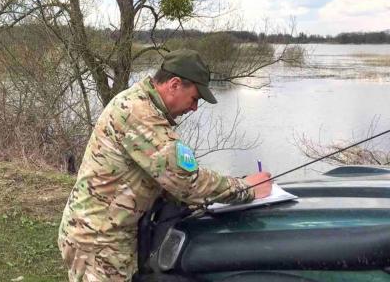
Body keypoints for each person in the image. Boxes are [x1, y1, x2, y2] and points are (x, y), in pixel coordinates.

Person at [58, 49, 272, 282]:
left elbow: (168, 181)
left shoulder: (142, 103)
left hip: (106, 234)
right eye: (195, 98)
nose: (194, 108)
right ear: (174, 84)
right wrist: (246, 189)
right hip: (98, 240)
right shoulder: (139, 113)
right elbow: (187, 181)